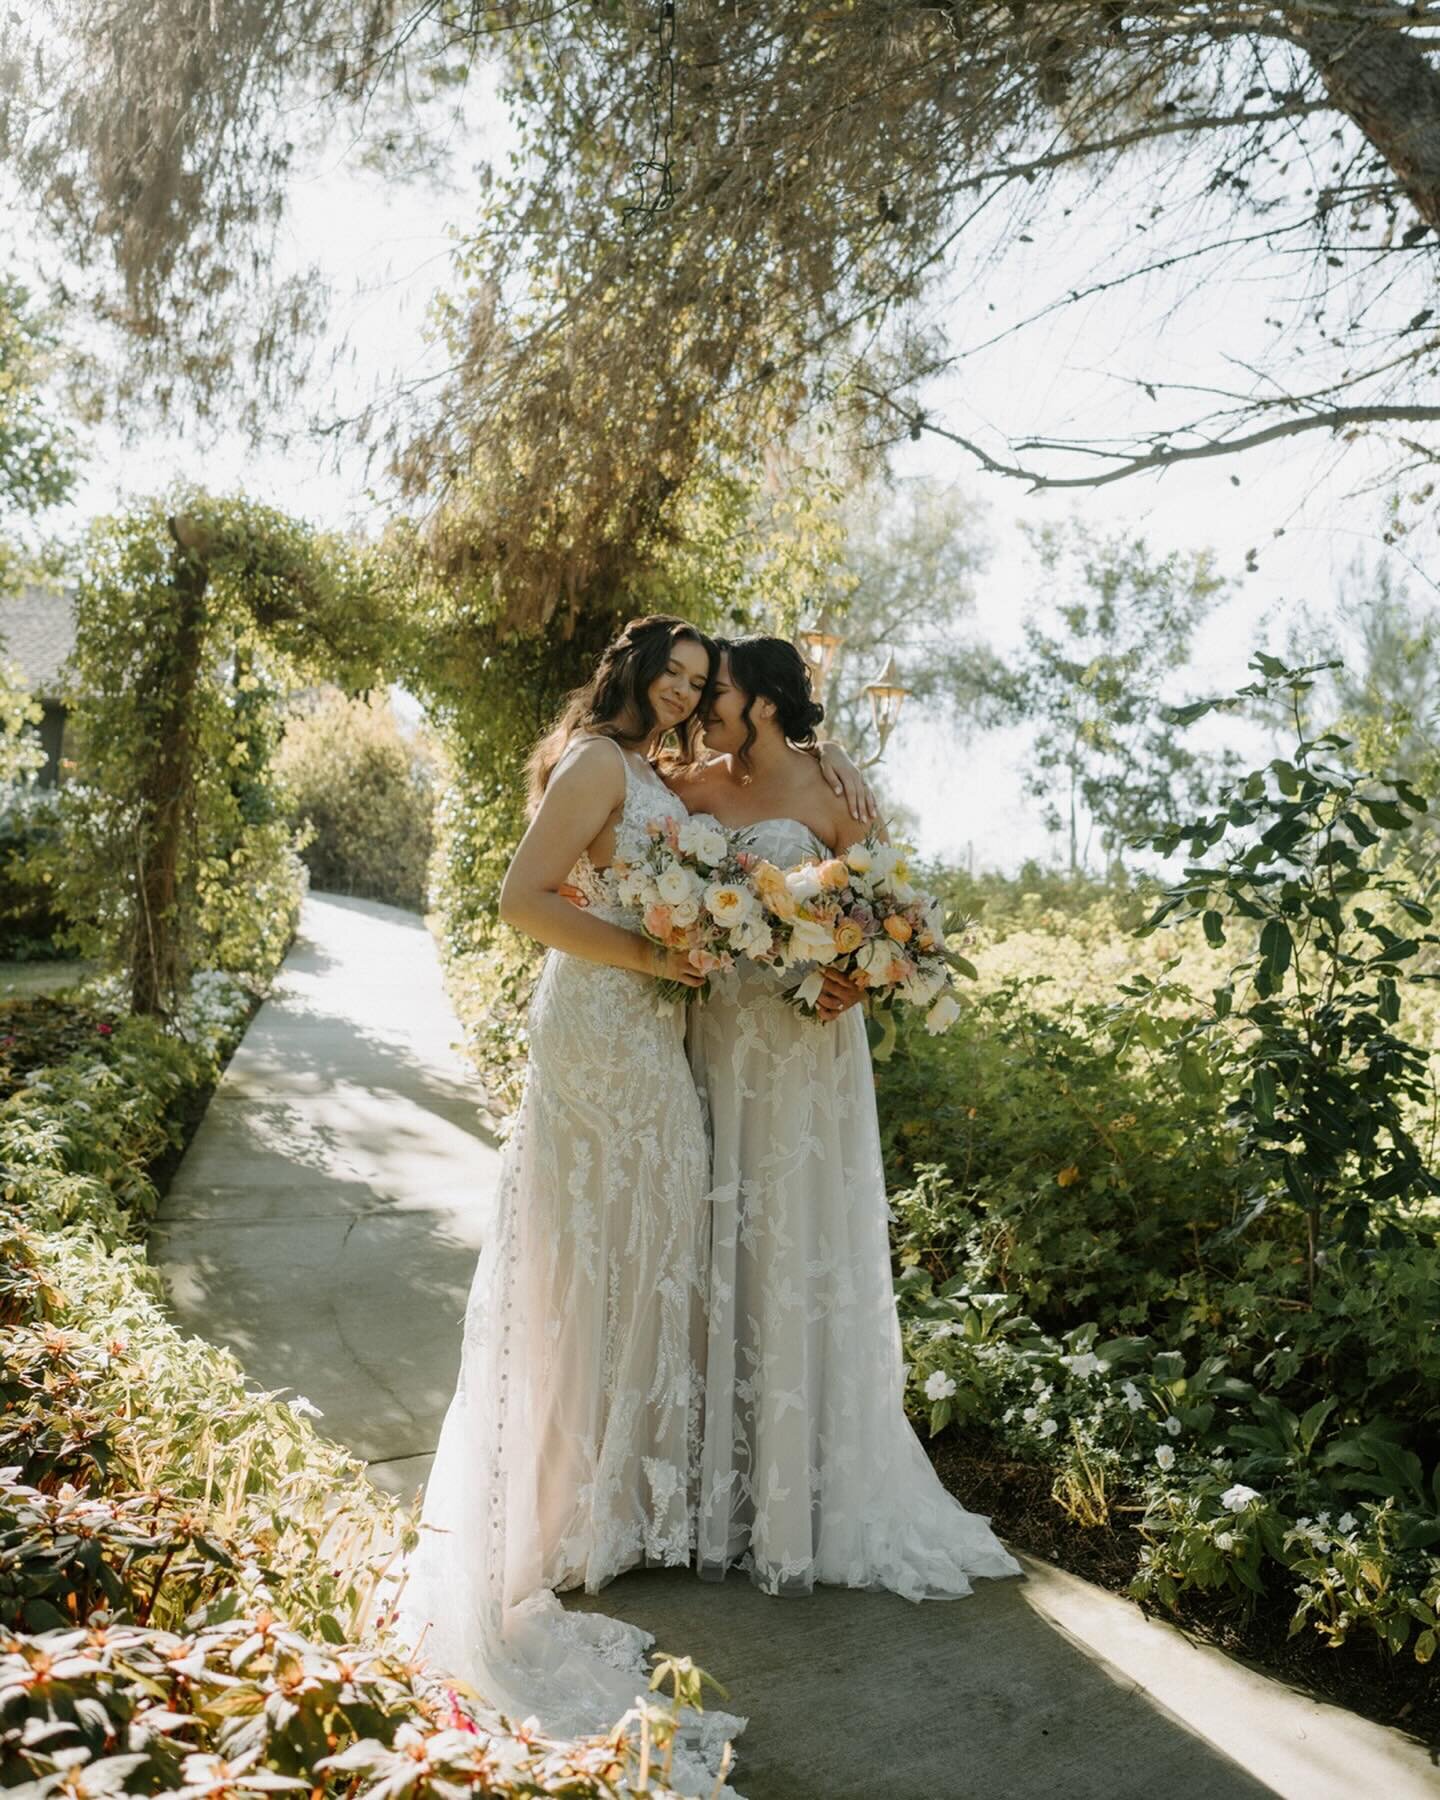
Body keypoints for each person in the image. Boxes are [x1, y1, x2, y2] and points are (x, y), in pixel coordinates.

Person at [395, 614, 745, 1781]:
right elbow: (519, 898)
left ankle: (618, 1504)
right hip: (600, 1024)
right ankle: (555, 1509)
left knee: (652, 1244)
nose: (687, 697)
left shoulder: (658, 773)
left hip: (653, 1024)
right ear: (635, 672)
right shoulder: (597, 761)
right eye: (675, 676)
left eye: (701, 684)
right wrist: (653, 956)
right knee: (583, 1252)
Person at [669, 635, 1023, 1600]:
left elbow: (891, 918)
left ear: (770, 703)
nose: (708, 705)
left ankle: (805, 1493)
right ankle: (719, 1493)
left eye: (724, 691)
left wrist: (856, 984)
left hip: (804, 1050)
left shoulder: (836, 792)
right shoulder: (693, 784)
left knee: (795, 1244)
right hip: (714, 1038)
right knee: (715, 1240)